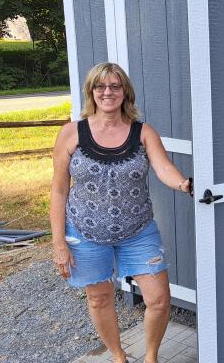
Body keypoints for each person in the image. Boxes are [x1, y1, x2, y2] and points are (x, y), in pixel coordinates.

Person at [50, 62, 192, 363]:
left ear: (125, 92)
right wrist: (59, 243)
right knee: (99, 299)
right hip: (85, 232)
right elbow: (59, 190)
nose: (108, 92)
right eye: (100, 86)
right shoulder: (71, 133)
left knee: (159, 300)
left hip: (138, 231)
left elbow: (163, 168)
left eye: (115, 86)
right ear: (91, 91)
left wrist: (183, 183)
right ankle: (118, 357)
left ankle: (151, 357)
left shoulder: (143, 132)